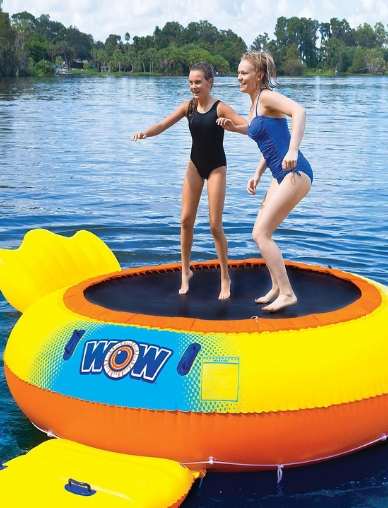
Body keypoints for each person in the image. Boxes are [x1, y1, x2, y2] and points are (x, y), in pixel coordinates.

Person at [132, 62, 247, 299]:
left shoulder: (220, 108)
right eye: (191, 82)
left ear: (209, 82)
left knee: (215, 225)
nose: (193, 86)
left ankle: (225, 277)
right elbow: (163, 124)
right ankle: (186, 273)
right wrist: (145, 132)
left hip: (216, 167)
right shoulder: (189, 107)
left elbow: (246, 124)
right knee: (185, 220)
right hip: (195, 165)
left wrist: (232, 126)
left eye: (198, 82)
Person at [217, 51, 313, 312]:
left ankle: (288, 293)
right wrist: (257, 172)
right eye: (238, 72)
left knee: (261, 234)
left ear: (258, 76)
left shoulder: (267, 96)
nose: (239, 77)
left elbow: (299, 112)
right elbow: (267, 140)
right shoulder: (254, 104)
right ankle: (275, 287)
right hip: (278, 174)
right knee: (259, 231)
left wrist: (293, 150)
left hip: (295, 172)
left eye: (244, 73)